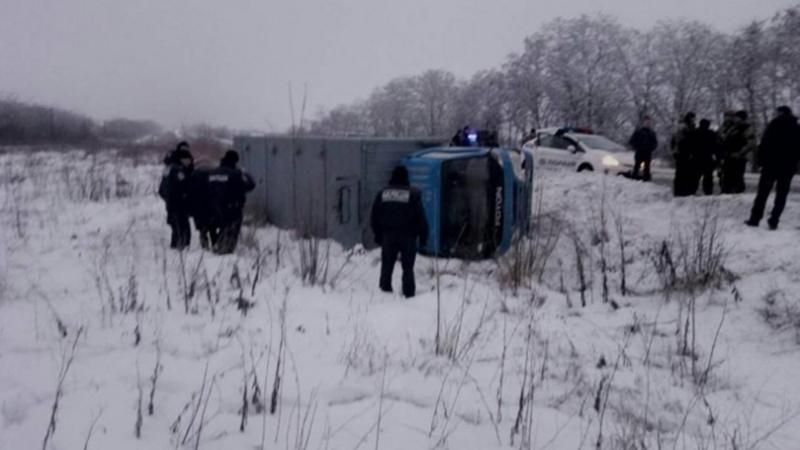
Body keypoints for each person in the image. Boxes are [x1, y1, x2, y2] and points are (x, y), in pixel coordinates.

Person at [370, 166, 429, 298]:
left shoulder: (383, 194)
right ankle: (408, 294)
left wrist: (378, 235)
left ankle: (384, 292)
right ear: (406, 178)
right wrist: (423, 237)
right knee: (408, 268)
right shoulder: (413, 195)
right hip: (408, 237)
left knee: (387, 266)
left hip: (388, 236)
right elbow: (421, 218)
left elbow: (374, 216)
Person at [745, 106, 800, 230]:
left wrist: (760, 161)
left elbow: (765, 143)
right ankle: (774, 220)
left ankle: (755, 218)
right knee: (781, 195)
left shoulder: (775, 124)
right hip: (788, 167)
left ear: (780, 113)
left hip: (771, 165)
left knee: (763, 193)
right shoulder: (797, 127)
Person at [206, 150, 256, 254]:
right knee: (231, 231)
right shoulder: (235, 174)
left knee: (221, 229)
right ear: (235, 161)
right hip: (232, 208)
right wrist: (245, 173)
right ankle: (225, 252)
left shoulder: (213, 172)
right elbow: (250, 185)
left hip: (214, 208)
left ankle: (216, 247)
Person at [158, 144, 194, 249]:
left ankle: (175, 248)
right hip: (179, 204)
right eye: (188, 160)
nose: (190, 162)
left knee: (176, 227)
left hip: (171, 203)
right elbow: (185, 186)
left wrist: (168, 200)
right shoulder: (178, 170)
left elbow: (161, 190)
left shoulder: (168, 168)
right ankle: (181, 249)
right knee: (182, 228)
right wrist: (184, 198)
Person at [719, 111, 757, 194]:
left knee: (738, 177)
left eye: (736, 117)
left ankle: (738, 194)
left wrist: (740, 152)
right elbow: (725, 138)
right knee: (727, 176)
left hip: (738, 156)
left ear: (741, 118)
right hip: (729, 155)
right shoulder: (733, 127)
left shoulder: (746, 127)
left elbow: (751, 142)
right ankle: (726, 192)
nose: (734, 118)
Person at [671, 112, 698, 196]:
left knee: (683, 174)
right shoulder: (684, 128)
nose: (693, 120)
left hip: (683, 154)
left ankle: (682, 191)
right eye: (692, 118)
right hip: (683, 154)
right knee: (682, 174)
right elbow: (683, 141)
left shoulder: (687, 127)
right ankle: (681, 192)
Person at [693, 119, 719, 195]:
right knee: (708, 178)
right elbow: (716, 147)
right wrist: (716, 159)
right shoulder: (712, 134)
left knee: (695, 177)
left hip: (697, 158)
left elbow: (691, 145)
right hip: (708, 158)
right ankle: (708, 192)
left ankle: (693, 191)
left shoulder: (695, 133)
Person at [628, 116, 658, 181]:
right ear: (643, 123)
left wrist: (651, 148)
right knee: (637, 166)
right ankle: (634, 178)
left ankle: (646, 179)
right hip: (639, 152)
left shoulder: (652, 133)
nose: (647, 123)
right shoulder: (638, 132)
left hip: (648, 153)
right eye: (646, 122)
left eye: (649, 122)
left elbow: (655, 143)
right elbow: (631, 141)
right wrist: (637, 146)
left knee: (647, 167)